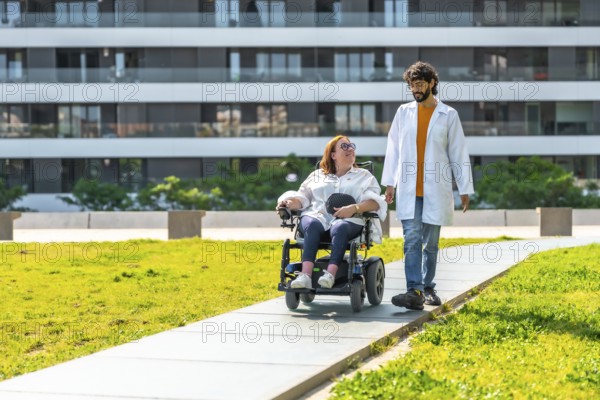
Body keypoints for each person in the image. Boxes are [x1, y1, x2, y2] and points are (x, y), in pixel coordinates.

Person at [381, 61, 474, 310]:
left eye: (420, 84)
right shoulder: (403, 112)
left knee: (430, 244)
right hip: (409, 188)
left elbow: (458, 152)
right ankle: (414, 290)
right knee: (411, 239)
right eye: (412, 85)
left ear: (432, 83)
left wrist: (464, 188)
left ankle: (428, 286)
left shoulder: (448, 115)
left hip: (435, 188)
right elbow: (394, 148)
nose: (416, 90)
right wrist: (389, 182)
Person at [277, 135, 387, 289]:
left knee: (340, 227)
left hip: (349, 222)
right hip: (317, 219)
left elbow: (376, 202)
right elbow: (302, 198)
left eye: (351, 146)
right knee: (312, 223)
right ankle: (305, 276)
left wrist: (354, 208)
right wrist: (289, 203)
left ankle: (330, 274)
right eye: (344, 146)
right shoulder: (317, 176)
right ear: (333, 155)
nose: (350, 149)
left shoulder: (364, 176)